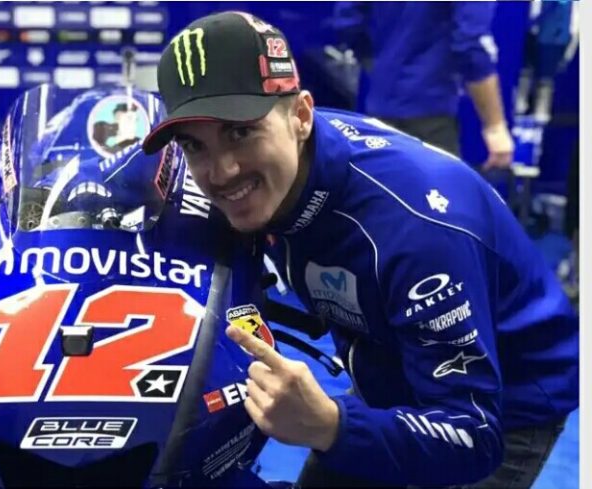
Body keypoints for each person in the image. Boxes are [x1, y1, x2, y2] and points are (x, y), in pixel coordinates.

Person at [142, 11, 578, 488]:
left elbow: (475, 436)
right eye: (195, 146)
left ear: (301, 116)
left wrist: (330, 425)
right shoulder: (281, 169)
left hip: (507, 406)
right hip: (386, 360)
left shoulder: (413, 232)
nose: (221, 172)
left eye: (240, 132)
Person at [327, 2, 514, 170]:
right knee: (438, 194)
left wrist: (380, 66)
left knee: (383, 192)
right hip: (432, 114)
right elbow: (472, 44)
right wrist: (495, 126)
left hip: (380, 109)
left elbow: (347, 20)